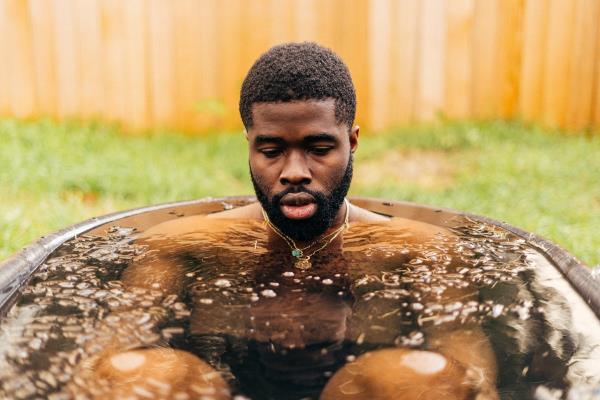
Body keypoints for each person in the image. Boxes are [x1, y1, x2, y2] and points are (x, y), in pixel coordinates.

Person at [71, 42, 499, 400]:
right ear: (249, 145)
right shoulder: (183, 244)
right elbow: (99, 366)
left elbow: (474, 381)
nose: (294, 170)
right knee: (131, 370)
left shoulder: (418, 248)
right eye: (272, 150)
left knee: (427, 374)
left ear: (352, 141)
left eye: (318, 148)